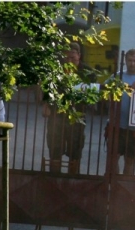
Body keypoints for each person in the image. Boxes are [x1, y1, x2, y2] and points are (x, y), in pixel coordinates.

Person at [42, 42, 97, 175]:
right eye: (67, 58)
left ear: (79, 56)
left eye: (73, 58)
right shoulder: (56, 70)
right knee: (55, 148)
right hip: (56, 115)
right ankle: (54, 178)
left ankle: (73, 179)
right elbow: (47, 88)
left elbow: (92, 96)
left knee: (75, 151)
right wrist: (46, 104)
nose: (70, 61)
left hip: (77, 116)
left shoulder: (88, 72)